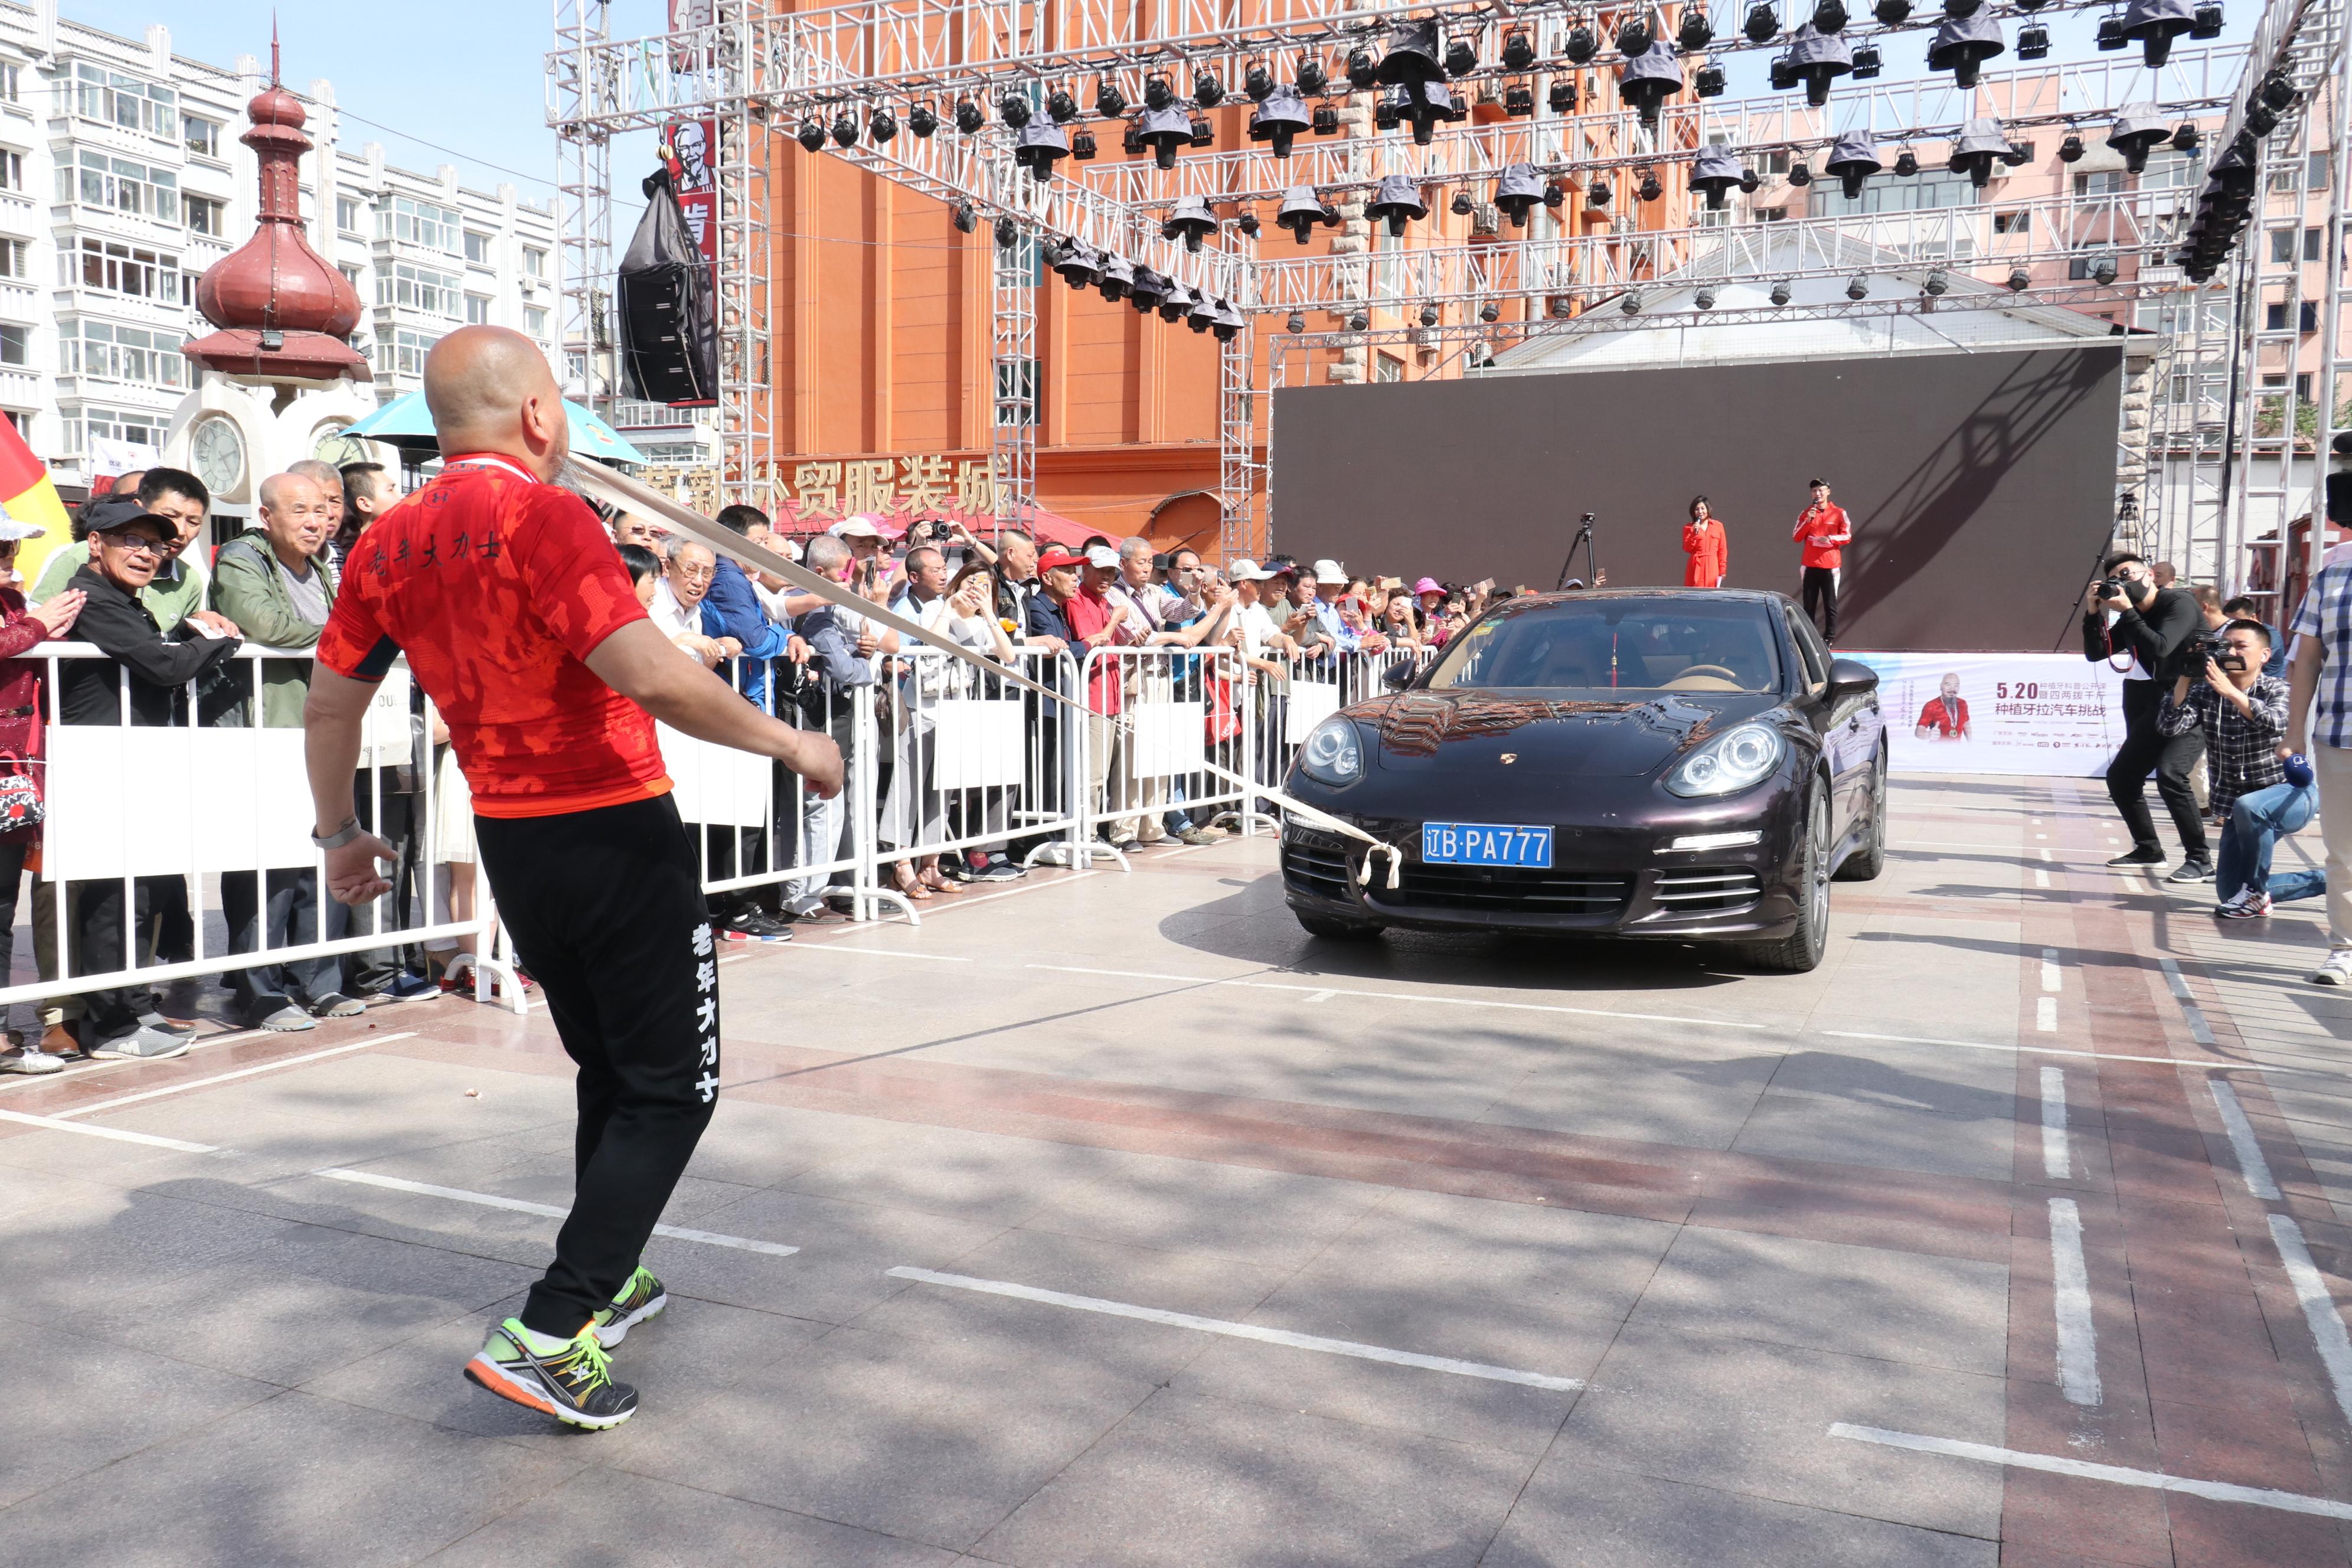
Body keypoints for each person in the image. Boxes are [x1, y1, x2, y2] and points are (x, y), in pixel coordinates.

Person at [305, 324, 842, 1429]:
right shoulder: (544, 515)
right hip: (613, 831)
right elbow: (650, 674)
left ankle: (612, 1273)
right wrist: (794, 745)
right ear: (539, 416)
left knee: (613, 1066)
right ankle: (552, 1329)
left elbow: (329, 705)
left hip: (517, 841)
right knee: (674, 1086)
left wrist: (340, 833)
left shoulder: (385, 543)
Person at [59, 509, 243, 1059]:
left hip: (133, 765)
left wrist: (187, 636)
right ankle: (111, 1028)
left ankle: (132, 1008)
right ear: (96, 543)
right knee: (113, 900)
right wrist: (219, 643)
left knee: (138, 896)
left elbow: (157, 656)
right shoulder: (91, 599)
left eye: (157, 546)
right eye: (132, 540)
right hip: (101, 767)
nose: (146, 553)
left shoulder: (124, 602)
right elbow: (162, 667)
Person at [211, 471, 364, 1031]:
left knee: (321, 854)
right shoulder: (241, 558)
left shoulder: (319, 567)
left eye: (321, 510)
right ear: (266, 515)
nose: (315, 521)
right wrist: (347, 635)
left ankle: (319, 982)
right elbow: (266, 625)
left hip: (318, 730)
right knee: (266, 868)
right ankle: (260, 991)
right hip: (265, 729)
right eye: (299, 510)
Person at [0, 517, 84, 1073]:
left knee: (3, 904)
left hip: (17, 772)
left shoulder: (14, 601)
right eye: (0, 545)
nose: (10, 552)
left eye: (11, 543)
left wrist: (46, 624)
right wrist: (37, 624)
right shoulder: (22, 611)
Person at [2084, 551, 2209, 880]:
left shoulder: (2178, 603)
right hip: (2163, 701)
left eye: (2127, 574)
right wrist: (2094, 613)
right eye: (2115, 579)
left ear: (2150, 574)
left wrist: (2127, 612)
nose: (2122, 582)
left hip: (2199, 699)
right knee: (2122, 777)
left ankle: (2200, 859)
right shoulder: (2133, 616)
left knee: (2171, 774)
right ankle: (2149, 849)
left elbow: (2161, 647)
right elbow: (2096, 653)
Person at [2282, 552, 2352, 982]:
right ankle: (2345, 948)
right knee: (2344, 854)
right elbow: (2307, 660)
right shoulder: (2331, 579)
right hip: (2339, 735)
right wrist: (2295, 733)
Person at [1792, 478, 1849, 641]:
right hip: (1809, 565)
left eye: (1821, 490)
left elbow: (1847, 536)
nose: (1817, 493)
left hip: (1830, 566)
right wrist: (1808, 521)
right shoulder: (1806, 513)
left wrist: (1830, 538)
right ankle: (1809, 638)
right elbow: (1796, 537)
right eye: (1814, 491)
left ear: (1828, 492)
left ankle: (1829, 638)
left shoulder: (1839, 513)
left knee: (1830, 605)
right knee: (1809, 605)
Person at [2223, 594, 2288, 678]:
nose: (2235, 625)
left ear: (2253, 617)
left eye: (2239, 621)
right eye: (2230, 622)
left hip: (2266, 683)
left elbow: (2248, 662)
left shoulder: (2270, 634)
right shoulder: (2231, 635)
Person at [1683, 496, 1729, 589]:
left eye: (1703, 508)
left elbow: (1722, 549)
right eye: (1697, 509)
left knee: (1711, 592)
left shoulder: (1718, 526)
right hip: (1697, 565)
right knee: (1695, 592)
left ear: (1708, 509)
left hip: (1712, 565)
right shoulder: (1689, 527)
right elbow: (1687, 548)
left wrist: (1722, 570)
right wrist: (1693, 533)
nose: (1700, 512)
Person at [1916, 673, 1971, 740]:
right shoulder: (1931, 706)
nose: (1952, 689)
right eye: (1948, 685)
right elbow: (1919, 731)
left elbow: (1967, 725)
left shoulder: (1963, 704)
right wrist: (1928, 735)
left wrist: (1971, 743)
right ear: (1941, 687)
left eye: (1956, 685)